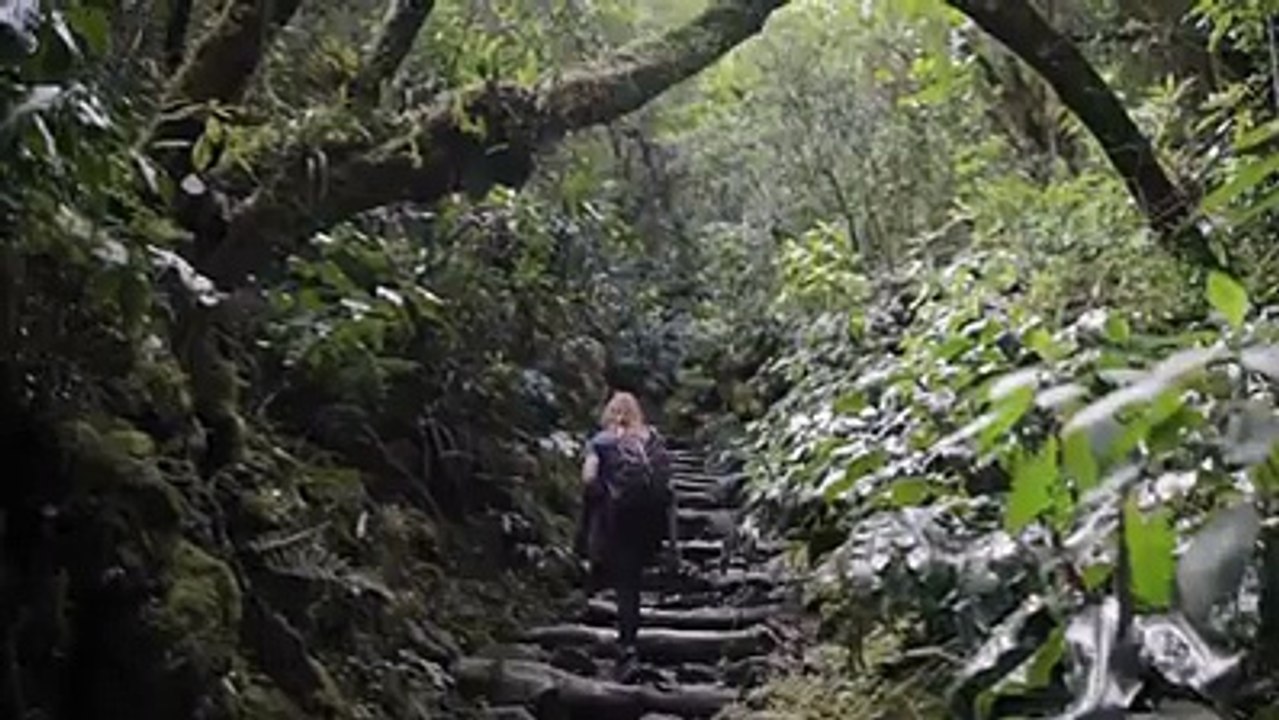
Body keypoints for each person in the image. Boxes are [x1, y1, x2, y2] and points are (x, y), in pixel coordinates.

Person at [577, 391, 678, 679]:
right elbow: (668, 485)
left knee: (625, 585)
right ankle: (629, 639)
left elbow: (588, 479)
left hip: (617, 522)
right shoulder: (652, 440)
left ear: (609, 413)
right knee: (631, 580)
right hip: (647, 524)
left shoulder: (601, 442)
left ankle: (627, 645)